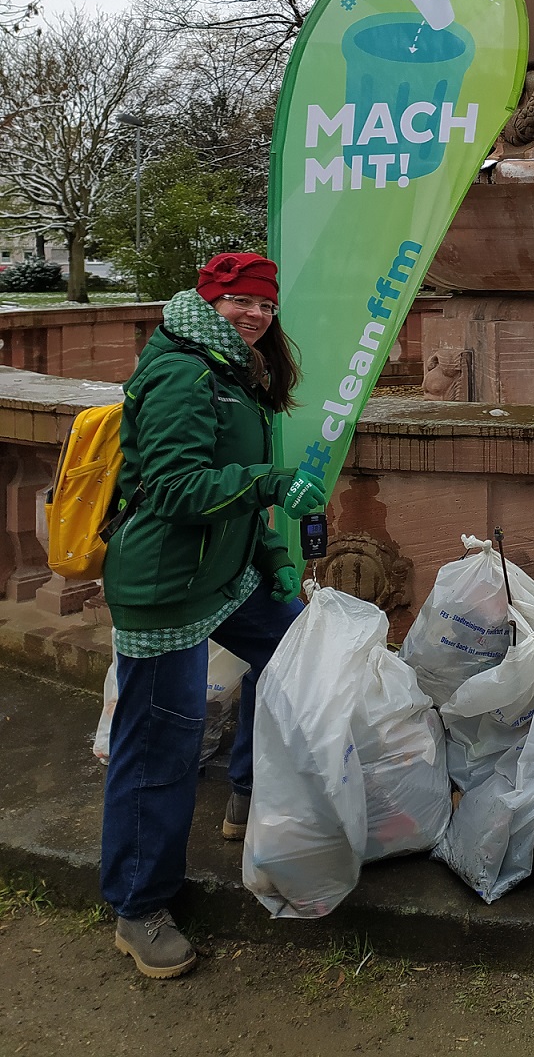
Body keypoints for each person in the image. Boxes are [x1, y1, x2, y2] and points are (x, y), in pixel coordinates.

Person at [100, 252, 326, 979]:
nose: (256, 314)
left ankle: (249, 793)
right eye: (239, 302)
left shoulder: (235, 369)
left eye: (264, 303)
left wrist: (271, 560)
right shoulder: (182, 370)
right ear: (209, 301)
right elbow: (171, 488)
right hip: (168, 587)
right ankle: (139, 908)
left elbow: (232, 498)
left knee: (292, 650)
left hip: (225, 574)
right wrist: (272, 482)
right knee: (160, 747)